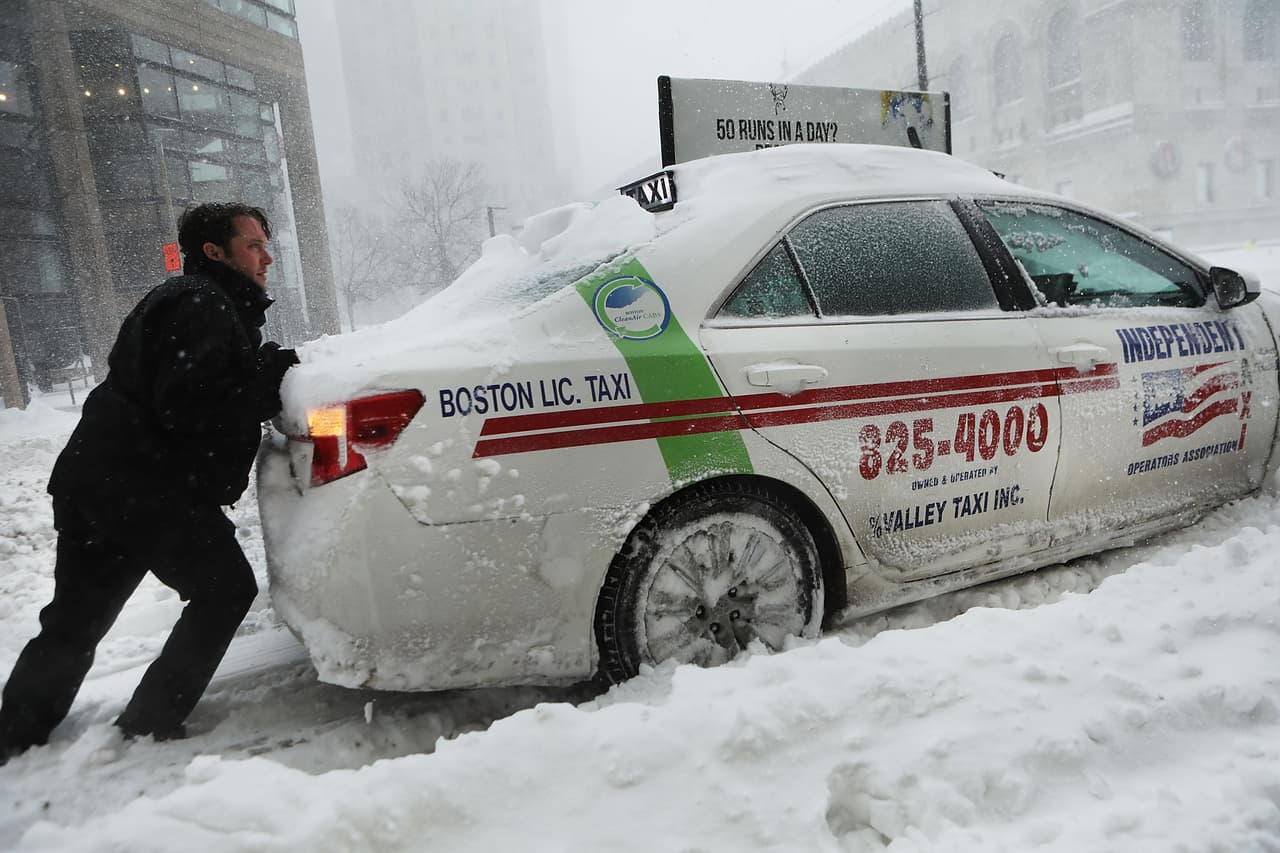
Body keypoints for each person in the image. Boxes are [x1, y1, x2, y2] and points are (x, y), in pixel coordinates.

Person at [0, 202, 300, 763]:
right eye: (254, 245)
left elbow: (182, 389)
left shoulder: (195, 300)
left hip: (100, 477)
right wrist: (261, 386)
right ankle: (150, 722)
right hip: (146, 485)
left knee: (75, 620)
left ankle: (14, 736)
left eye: (266, 243)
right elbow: (190, 409)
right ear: (215, 252)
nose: (267, 256)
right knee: (224, 589)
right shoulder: (201, 303)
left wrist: (249, 375)